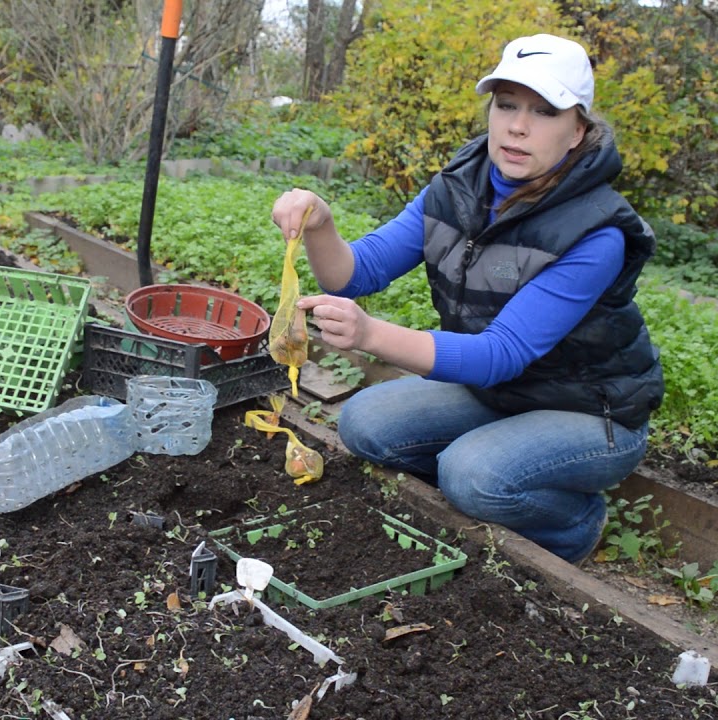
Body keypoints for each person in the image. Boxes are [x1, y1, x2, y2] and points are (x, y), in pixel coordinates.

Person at [270, 33, 664, 564]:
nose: (518, 126)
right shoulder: (459, 188)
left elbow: (500, 353)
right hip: (503, 395)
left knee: (470, 476)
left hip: (591, 412)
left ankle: (574, 524)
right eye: (506, 105)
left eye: (545, 112)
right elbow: (357, 273)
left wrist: (369, 335)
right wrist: (320, 224)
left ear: (578, 132)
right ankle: (496, 465)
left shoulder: (596, 234)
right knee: (364, 424)